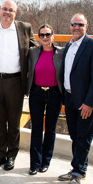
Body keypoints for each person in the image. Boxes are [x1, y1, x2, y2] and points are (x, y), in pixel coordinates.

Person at [0, 0, 37, 170]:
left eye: (11, 10)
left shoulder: (24, 28)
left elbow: (36, 49)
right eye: (5, 9)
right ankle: (0, 154)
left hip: (16, 81)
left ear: (16, 13)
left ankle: (11, 156)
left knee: (14, 122)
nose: (7, 13)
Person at [59, 13, 93, 184]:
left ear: (87, 26)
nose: (76, 27)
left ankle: (78, 173)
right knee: (74, 136)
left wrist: (89, 102)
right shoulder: (69, 45)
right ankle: (77, 168)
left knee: (83, 138)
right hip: (70, 97)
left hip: (86, 101)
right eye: (73, 24)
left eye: (80, 24)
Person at [26, 24, 64, 175]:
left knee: (50, 128)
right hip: (37, 92)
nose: (45, 38)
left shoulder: (61, 52)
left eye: (48, 34)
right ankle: (34, 163)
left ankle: (45, 162)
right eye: (41, 35)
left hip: (55, 93)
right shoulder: (33, 52)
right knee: (36, 128)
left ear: (53, 35)